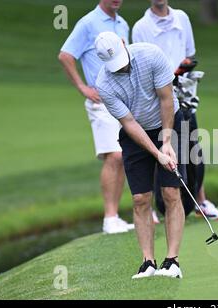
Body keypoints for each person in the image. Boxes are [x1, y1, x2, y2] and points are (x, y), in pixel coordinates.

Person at [58, 0, 157, 234]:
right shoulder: (88, 23)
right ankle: (110, 217)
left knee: (129, 154)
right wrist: (83, 87)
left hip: (123, 99)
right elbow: (65, 55)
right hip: (100, 100)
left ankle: (142, 209)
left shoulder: (122, 23)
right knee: (114, 155)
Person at [94, 31, 186, 279]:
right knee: (140, 199)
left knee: (170, 192)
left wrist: (166, 142)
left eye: (122, 61)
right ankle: (148, 262)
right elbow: (129, 122)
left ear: (124, 43)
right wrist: (157, 153)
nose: (121, 68)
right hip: (136, 133)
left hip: (170, 124)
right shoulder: (104, 84)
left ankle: (172, 261)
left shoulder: (150, 55)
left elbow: (166, 99)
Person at [132, 0, 218, 220]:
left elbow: (190, 54)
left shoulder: (182, 18)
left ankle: (200, 201)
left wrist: (183, 68)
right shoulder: (141, 27)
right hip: (159, 98)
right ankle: (154, 208)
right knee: (162, 151)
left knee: (193, 148)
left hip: (183, 94)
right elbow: (141, 67)